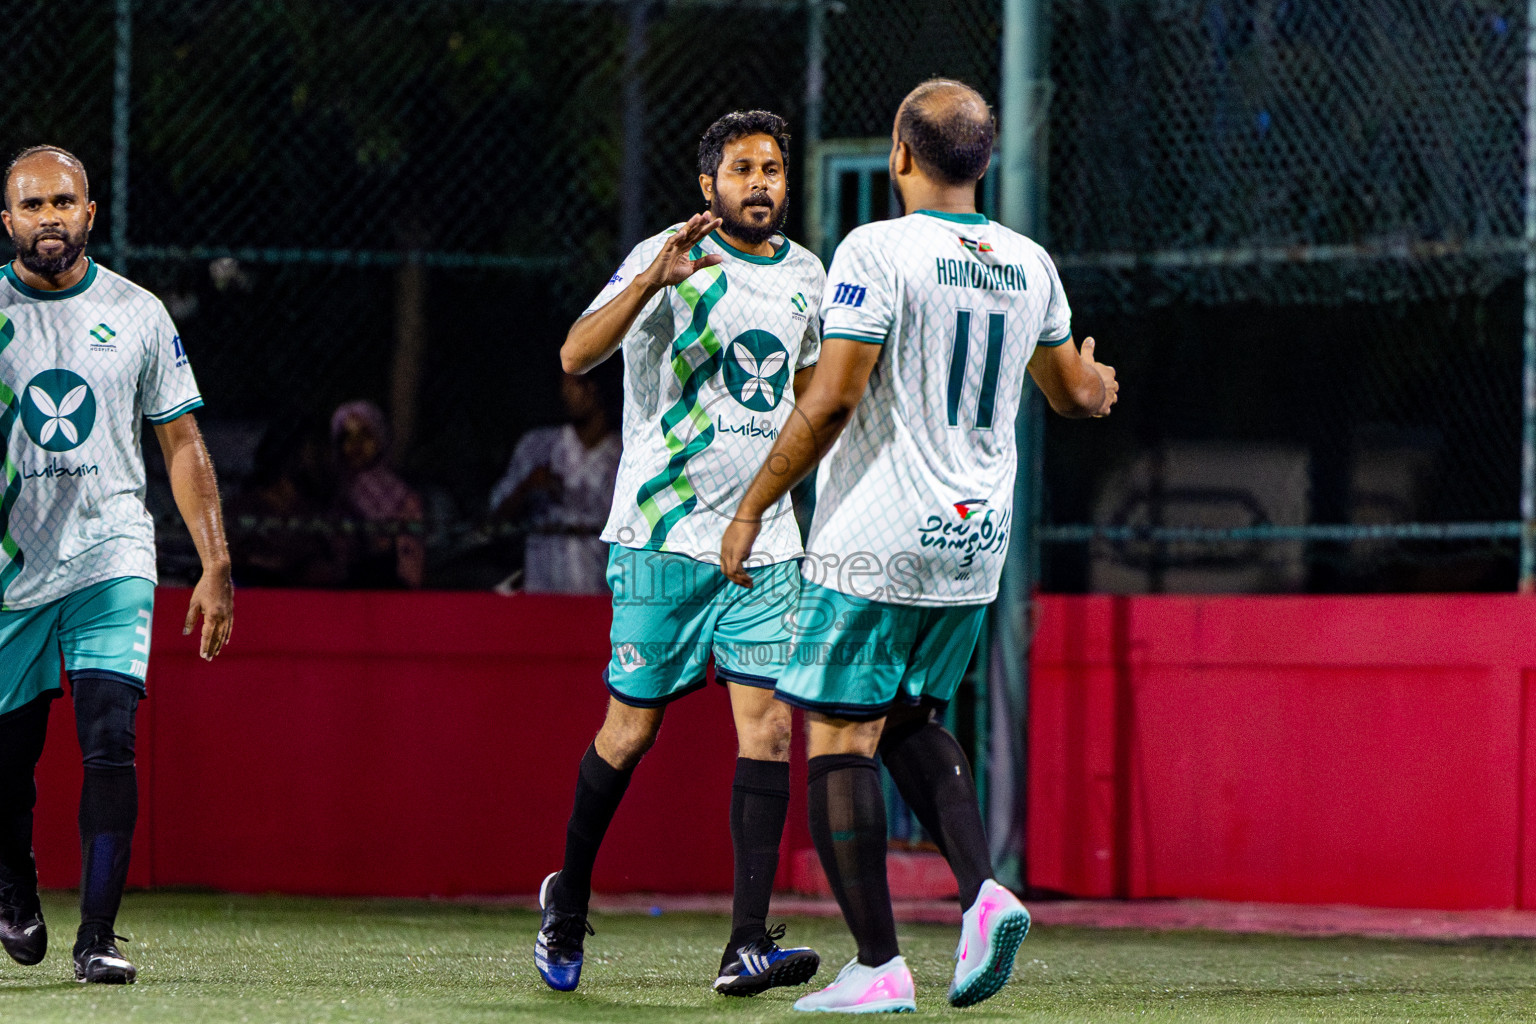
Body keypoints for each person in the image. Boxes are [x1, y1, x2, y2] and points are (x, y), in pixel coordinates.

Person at [720, 80, 1119, 1013]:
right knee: (909, 720)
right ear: (981, 160)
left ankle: (879, 966)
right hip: (974, 545)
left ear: (901, 152)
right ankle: (984, 893)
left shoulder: (877, 247)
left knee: (838, 740)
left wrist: (752, 509)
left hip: (875, 540)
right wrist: (1098, 384)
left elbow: (835, 397)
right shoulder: (1029, 261)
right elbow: (1072, 391)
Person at [536, 110, 825, 997]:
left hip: (764, 541)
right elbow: (577, 353)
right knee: (631, 732)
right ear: (709, 186)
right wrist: (651, 281)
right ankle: (569, 899)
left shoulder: (811, 277)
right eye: (742, 169)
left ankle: (745, 941)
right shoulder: (673, 252)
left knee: (770, 728)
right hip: (664, 534)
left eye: (772, 168)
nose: (761, 183)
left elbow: (813, 398)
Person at [0, 146, 234, 984]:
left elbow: (181, 442)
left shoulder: (137, 312)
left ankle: (97, 937)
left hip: (112, 552)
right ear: (9, 222)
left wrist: (215, 562)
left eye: (64, 201)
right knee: (8, 764)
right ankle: (15, 883)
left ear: (90, 212)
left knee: (108, 739)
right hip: (11, 570)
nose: (49, 217)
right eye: (32, 205)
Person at [488, 373, 620, 594]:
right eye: (564, 384)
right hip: (544, 596)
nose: (565, 393)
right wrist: (526, 487)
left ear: (595, 387)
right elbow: (495, 515)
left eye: (575, 384)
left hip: (604, 598)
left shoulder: (623, 453)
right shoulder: (539, 445)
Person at [330, 400, 425, 589]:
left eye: (365, 435)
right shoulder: (335, 493)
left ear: (379, 438)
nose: (356, 445)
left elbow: (412, 562)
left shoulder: (404, 497)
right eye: (347, 437)